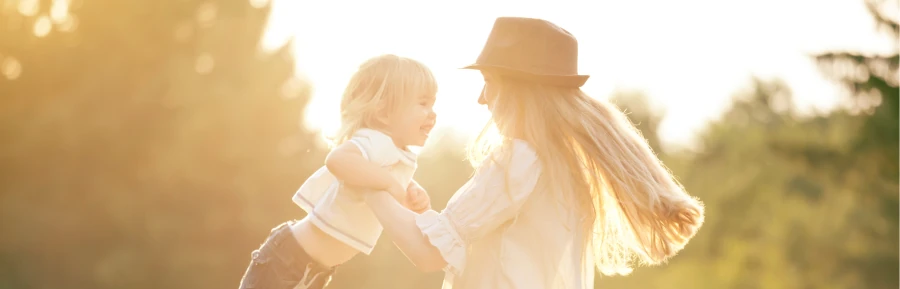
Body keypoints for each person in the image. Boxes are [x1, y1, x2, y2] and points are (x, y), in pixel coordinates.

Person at [329, 17, 706, 289]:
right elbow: (482, 245)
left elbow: (428, 254)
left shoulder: (518, 161)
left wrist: (370, 182)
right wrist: (423, 214)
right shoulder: (566, 166)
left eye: (489, 83)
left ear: (520, 91)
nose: (481, 99)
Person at [237, 54, 438, 289]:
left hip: (314, 268)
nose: (433, 113)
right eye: (423, 103)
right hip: (289, 258)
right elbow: (338, 159)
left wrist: (412, 191)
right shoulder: (376, 141)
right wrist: (391, 184)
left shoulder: (395, 154)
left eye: (433, 104)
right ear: (383, 112)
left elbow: (385, 189)